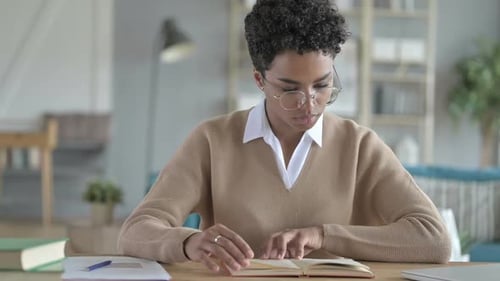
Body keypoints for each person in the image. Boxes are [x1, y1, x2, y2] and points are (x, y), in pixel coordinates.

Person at [118, 0, 451, 273]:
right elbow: (135, 231)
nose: (310, 104)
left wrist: (323, 236)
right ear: (260, 80)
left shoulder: (360, 146)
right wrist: (188, 243)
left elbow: (434, 240)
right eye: (290, 89)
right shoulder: (212, 141)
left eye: (322, 85)